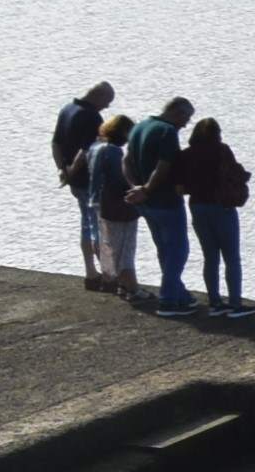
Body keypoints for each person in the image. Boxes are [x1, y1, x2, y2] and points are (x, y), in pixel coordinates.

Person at [174, 114, 254, 320]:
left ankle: (215, 303)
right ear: (217, 134)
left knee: (210, 257)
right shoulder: (222, 151)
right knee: (231, 258)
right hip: (222, 207)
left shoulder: (186, 155)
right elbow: (236, 174)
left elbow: (181, 186)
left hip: (198, 207)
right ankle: (235, 304)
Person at [124, 96, 198, 317]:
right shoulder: (167, 132)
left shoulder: (139, 126)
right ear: (177, 112)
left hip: (145, 204)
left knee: (164, 249)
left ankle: (181, 295)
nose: (186, 124)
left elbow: (126, 161)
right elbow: (163, 166)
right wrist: (146, 189)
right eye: (186, 118)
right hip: (165, 201)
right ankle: (168, 300)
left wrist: (135, 187)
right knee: (178, 250)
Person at [50, 80, 117, 289]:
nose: (107, 107)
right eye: (107, 101)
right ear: (97, 96)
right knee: (99, 227)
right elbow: (86, 151)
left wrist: (62, 169)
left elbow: (56, 143)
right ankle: (108, 275)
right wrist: (70, 172)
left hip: (75, 181)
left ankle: (91, 271)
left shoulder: (67, 109)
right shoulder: (91, 116)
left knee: (87, 225)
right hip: (89, 180)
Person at [83, 112, 148, 306]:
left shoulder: (95, 147)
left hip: (99, 203)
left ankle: (120, 283)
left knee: (110, 246)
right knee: (125, 249)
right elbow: (120, 180)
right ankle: (132, 288)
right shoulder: (114, 152)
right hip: (118, 206)